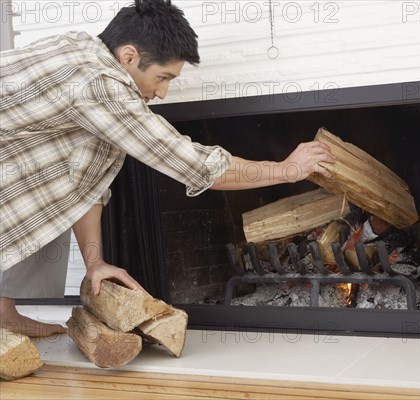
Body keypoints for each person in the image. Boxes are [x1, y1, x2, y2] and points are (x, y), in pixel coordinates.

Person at [0, 0, 335, 338]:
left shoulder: (81, 47)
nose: (162, 92)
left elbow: (84, 180)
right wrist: (286, 170)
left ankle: (3, 314)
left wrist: (94, 262)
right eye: (163, 77)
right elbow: (190, 163)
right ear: (129, 56)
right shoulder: (99, 83)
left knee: (48, 186)